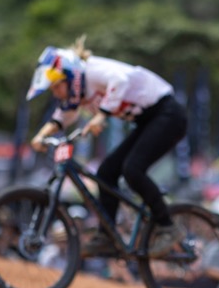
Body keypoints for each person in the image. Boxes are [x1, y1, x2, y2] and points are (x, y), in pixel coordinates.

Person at [26, 36, 188, 257]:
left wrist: (101, 116)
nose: (55, 94)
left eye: (56, 87)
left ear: (69, 76)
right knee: (106, 172)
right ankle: (108, 237)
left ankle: (168, 226)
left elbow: (120, 80)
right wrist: (41, 135)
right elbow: (65, 114)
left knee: (133, 169)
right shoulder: (78, 90)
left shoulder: (92, 71)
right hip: (147, 122)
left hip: (168, 115)